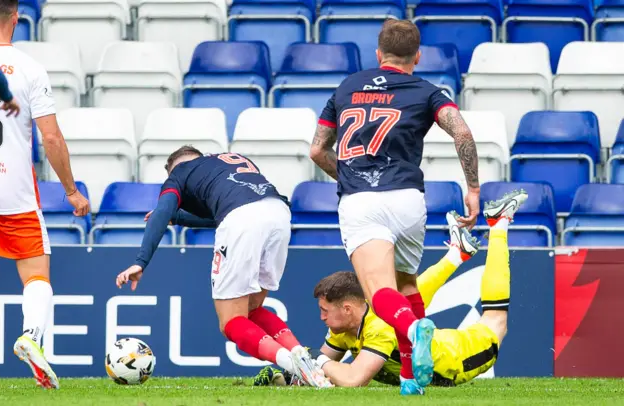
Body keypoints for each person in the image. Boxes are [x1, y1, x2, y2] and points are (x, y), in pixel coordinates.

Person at [309, 19, 481, 394]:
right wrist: (473, 188)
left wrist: (348, 175)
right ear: (417, 56)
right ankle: (409, 378)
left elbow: (317, 149)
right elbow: (462, 132)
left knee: (379, 293)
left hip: (362, 202)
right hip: (407, 200)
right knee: (405, 285)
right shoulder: (427, 91)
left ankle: (413, 329)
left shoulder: (347, 87)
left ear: (378, 53)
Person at [255, 189, 527, 391]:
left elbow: (351, 379)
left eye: (325, 311)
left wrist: (315, 364)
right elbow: (319, 371)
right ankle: (457, 254)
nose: (322, 318)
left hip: (459, 358)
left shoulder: (380, 329)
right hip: (438, 341)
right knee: (407, 295)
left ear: (347, 309)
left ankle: (499, 225)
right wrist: (291, 375)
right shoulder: (348, 326)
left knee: (495, 317)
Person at [115, 146, 332, 388]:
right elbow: (226, 209)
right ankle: (301, 355)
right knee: (252, 310)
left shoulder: (180, 173)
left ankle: (292, 364)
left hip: (242, 220)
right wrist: (178, 218)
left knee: (231, 322)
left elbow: (163, 210)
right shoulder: (233, 160)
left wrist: (140, 261)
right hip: (279, 215)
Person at [0, 0, 90, 390]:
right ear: (16, 18)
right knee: (35, 272)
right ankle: (31, 336)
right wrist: (71, 191)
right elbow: (50, 137)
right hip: (12, 188)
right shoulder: (29, 68)